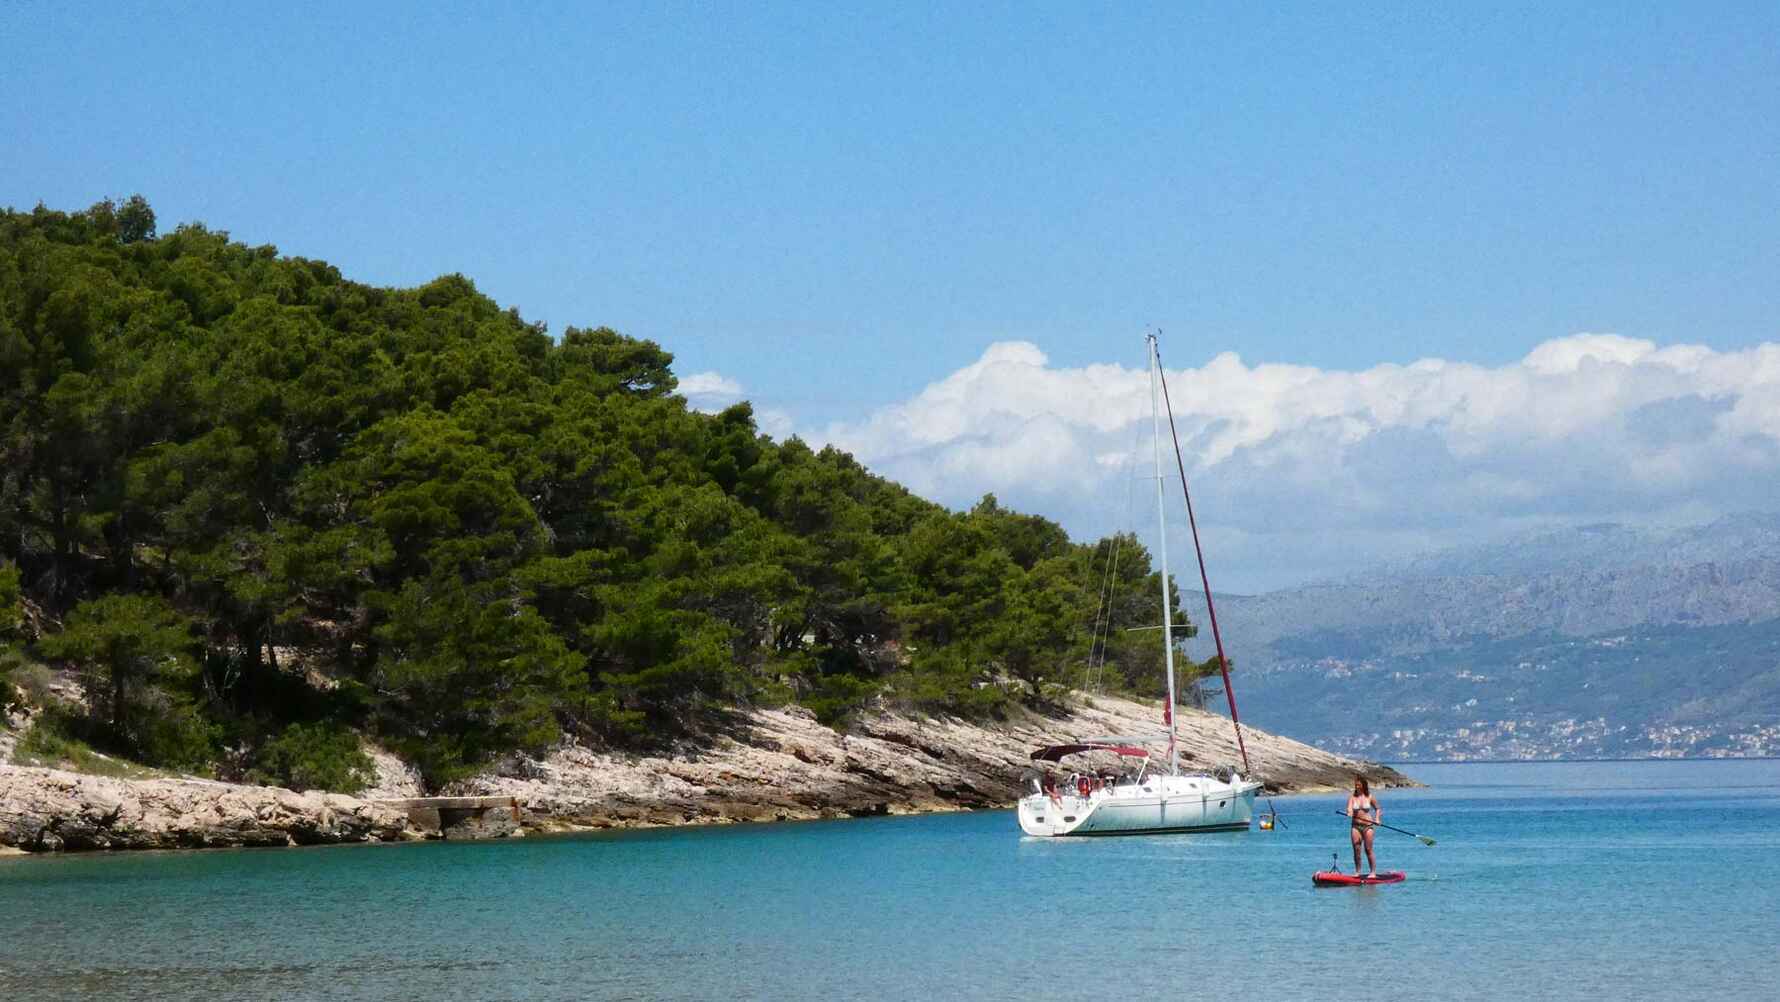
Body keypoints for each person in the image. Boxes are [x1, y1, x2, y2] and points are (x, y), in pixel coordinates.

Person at [1347, 775, 1381, 876]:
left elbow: (1378, 808)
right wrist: (1349, 812)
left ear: (1363, 785)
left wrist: (1377, 819)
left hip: (1368, 826)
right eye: (1355, 785)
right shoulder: (1352, 798)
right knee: (1356, 850)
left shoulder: (1369, 796)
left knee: (1368, 849)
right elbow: (1349, 808)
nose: (1356, 786)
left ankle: (1372, 872)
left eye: (1358, 785)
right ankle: (1357, 872)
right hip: (1355, 826)